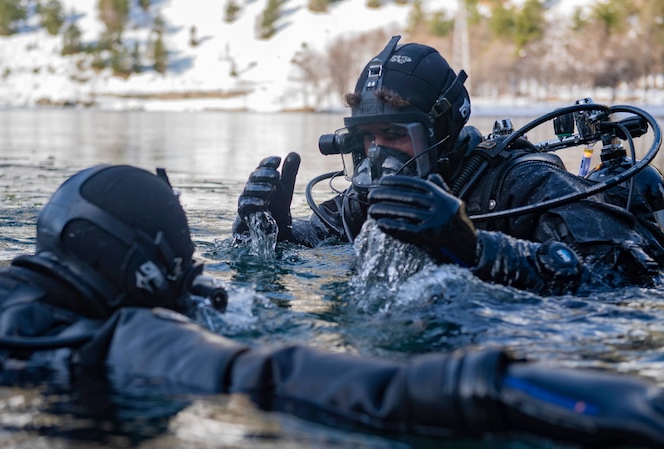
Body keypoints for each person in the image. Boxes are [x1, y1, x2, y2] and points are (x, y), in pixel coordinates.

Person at [0, 163, 664, 449]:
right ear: (144, 275)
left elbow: (613, 274)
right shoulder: (125, 337)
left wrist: (470, 245)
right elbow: (314, 380)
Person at [233, 35, 664, 295]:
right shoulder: (366, 199)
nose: (380, 152)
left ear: (442, 129)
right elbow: (313, 245)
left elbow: (621, 278)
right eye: (368, 137)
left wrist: (472, 248)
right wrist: (270, 231)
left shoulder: (521, 183)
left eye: (396, 135)